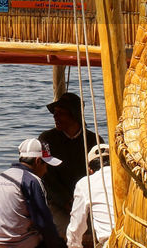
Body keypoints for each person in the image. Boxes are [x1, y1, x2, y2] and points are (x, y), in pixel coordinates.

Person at [0, 139, 66, 248]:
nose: (46, 170)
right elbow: (43, 222)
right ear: (38, 161)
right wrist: (59, 246)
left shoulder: (0, 177)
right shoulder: (31, 181)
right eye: (46, 165)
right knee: (61, 246)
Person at [38, 92, 102, 232]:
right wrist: (66, 202)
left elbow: (100, 175)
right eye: (55, 112)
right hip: (57, 203)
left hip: (89, 202)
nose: (55, 116)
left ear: (74, 115)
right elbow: (47, 178)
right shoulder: (47, 139)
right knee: (62, 231)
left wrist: (85, 202)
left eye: (61, 113)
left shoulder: (94, 140)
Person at [67, 143, 114, 248]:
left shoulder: (85, 183)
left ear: (90, 170)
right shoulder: (127, 177)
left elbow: (77, 225)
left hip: (112, 247)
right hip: (138, 241)